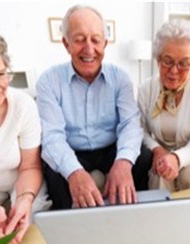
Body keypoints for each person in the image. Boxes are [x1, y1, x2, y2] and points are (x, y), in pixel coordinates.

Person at [36, 5, 152, 209]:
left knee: (142, 157)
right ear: (66, 43)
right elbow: (52, 137)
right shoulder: (48, 81)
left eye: (96, 40)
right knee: (53, 169)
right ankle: (70, 230)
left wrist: (123, 162)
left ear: (105, 43)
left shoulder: (121, 78)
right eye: (80, 39)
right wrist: (74, 172)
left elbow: (130, 125)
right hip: (72, 148)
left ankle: (134, 215)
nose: (89, 49)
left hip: (110, 148)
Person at [0, 16, 51, 244]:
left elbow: (30, 166)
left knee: (33, 229)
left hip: (21, 181)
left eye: (0, 74)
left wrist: (25, 201)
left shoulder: (23, 105)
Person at [138, 19, 190, 192]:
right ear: (158, 59)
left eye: (183, 63)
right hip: (161, 150)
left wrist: (176, 157)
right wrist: (157, 149)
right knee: (160, 172)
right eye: (168, 61)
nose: (174, 71)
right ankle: (161, 217)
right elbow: (140, 131)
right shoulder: (146, 88)